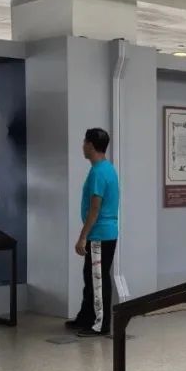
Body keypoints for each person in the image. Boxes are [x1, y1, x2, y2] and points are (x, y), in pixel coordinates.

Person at [66, 128, 120, 338]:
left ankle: (100, 324)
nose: (82, 146)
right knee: (90, 277)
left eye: (84, 142)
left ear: (90, 145)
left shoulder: (99, 172)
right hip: (102, 234)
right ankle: (86, 317)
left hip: (100, 234)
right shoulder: (105, 168)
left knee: (98, 279)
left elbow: (95, 209)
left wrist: (82, 237)